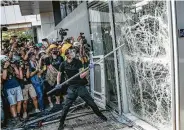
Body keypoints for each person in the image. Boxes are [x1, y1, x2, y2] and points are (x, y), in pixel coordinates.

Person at [57, 48, 107, 130]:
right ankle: (61, 123)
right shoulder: (63, 64)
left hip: (80, 86)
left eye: (73, 52)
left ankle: (100, 115)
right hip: (71, 87)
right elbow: (59, 75)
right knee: (66, 107)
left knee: (91, 102)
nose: (73, 53)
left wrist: (89, 69)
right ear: (67, 55)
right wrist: (58, 84)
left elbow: (81, 76)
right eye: (71, 52)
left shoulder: (78, 62)